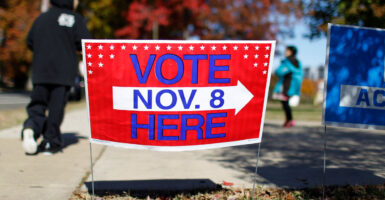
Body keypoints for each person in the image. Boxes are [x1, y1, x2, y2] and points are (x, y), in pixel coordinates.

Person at [21, 0, 91, 155]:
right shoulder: (74, 19)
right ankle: (50, 142)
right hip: (63, 74)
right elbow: (86, 44)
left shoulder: (42, 18)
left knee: (37, 104)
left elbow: (30, 41)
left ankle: (31, 127)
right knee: (55, 109)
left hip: (41, 72)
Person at [272, 46, 303, 128]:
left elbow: (278, 72)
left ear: (291, 52)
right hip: (293, 85)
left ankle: (290, 119)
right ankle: (288, 119)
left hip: (286, 84)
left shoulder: (287, 62)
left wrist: (281, 72)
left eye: (287, 51)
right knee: (285, 103)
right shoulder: (298, 62)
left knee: (285, 103)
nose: (285, 52)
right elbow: (299, 74)